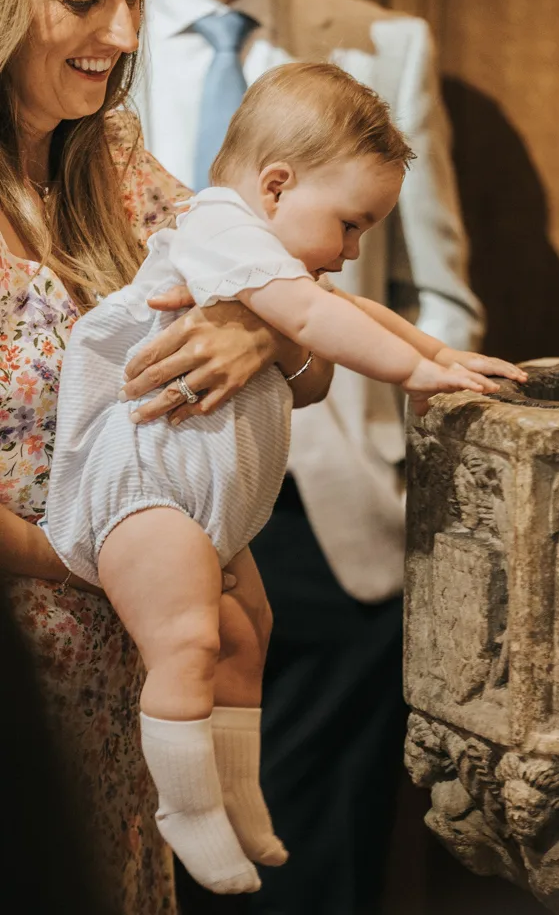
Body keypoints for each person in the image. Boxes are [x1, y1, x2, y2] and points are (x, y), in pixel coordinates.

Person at [44, 60, 525, 896]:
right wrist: (412, 380)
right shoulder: (221, 229)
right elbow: (311, 319)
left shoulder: (265, 248)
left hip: (204, 506)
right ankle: (183, 815)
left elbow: (354, 313)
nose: (353, 248)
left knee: (245, 636)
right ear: (275, 185)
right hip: (146, 491)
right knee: (190, 642)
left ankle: (235, 798)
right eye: (348, 225)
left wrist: (439, 351)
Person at [138, 0, 485, 911]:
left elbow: (435, 289)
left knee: (312, 865)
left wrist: (415, 389)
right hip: (152, 480)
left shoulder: (382, 43)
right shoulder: (66, 34)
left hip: (330, 523)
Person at [0, 0, 332, 913]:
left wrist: (258, 332)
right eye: (85, 0)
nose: (123, 36)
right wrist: (102, 553)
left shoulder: (114, 167)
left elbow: (312, 354)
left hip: (134, 680)